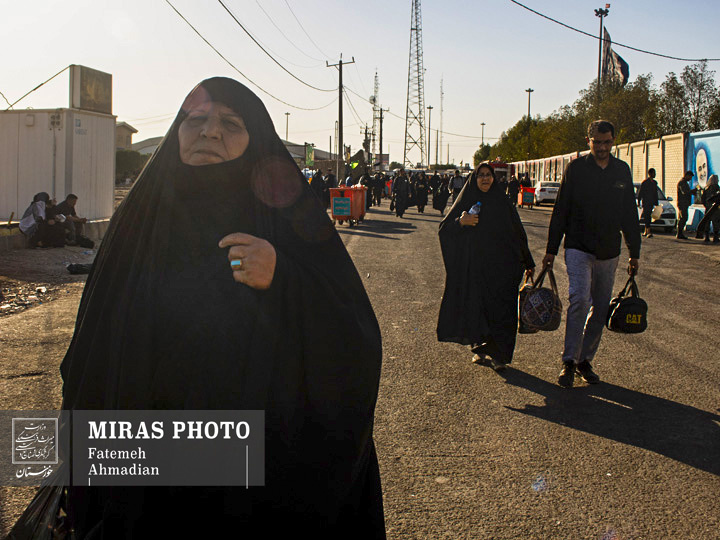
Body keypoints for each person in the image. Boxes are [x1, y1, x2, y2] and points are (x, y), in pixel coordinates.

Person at [57, 77, 385, 538]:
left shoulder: (290, 222)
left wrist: (285, 277)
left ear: (257, 143)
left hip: (246, 484)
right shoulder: (139, 220)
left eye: (230, 122)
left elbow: (356, 338)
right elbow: (88, 348)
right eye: (196, 120)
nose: (210, 132)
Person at [542, 120, 640, 388]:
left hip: (609, 252)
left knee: (600, 308)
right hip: (578, 248)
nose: (602, 147)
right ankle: (569, 362)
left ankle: (585, 360)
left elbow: (629, 215)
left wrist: (635, 252)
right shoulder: (576, 169)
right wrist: (551, 249)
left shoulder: (621, 171)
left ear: (613, 141)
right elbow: (561, 210)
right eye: (597, 142)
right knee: (579, 300)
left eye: (607, 142)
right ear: (589, 141)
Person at [437, 163, 535, 372]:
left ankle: (500, 356)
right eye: (480, 175)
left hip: (503, 269)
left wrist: (528, 261)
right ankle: (480, 347)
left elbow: (517, 233)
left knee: (502, 311)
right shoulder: (466, 200)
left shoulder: (502, 202)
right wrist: (461, 222)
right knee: (478, 309)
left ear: (493, 178)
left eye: (488, 175)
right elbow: (445, 229)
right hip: (476, 269)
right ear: (474, 179)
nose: (485, 179)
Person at [637, 168, 659, 238]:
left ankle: (646, 231)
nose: (655, 174)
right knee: (647, 216)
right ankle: (648, 231)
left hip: (652, 202)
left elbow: (655, 193)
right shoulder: (645, 183)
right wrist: (639, 201)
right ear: (650, 174)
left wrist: (656, 203)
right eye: (653, 173)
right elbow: (640, 193)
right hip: (646, 202)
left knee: (648, 216)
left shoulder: (655, 183)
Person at [676, 170, 697, 240]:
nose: (690, 178)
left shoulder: (685, 183)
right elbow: (684, 192)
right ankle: (679, 233)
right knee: (683, 218)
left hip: (684, 203)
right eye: (690, 177)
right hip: (682, 203)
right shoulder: (682, 183)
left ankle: (680, 233)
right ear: (687, 175)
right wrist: (692, 191)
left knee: (684, 218)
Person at [700, 174, 720, 243]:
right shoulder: (716, 187)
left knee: (707, 222)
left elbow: (702, 199)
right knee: (716, 223)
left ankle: (707, 237)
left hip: (708, 208)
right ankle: (715, 237)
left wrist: (706, 205)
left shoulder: (706, 188)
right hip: (715, 208)